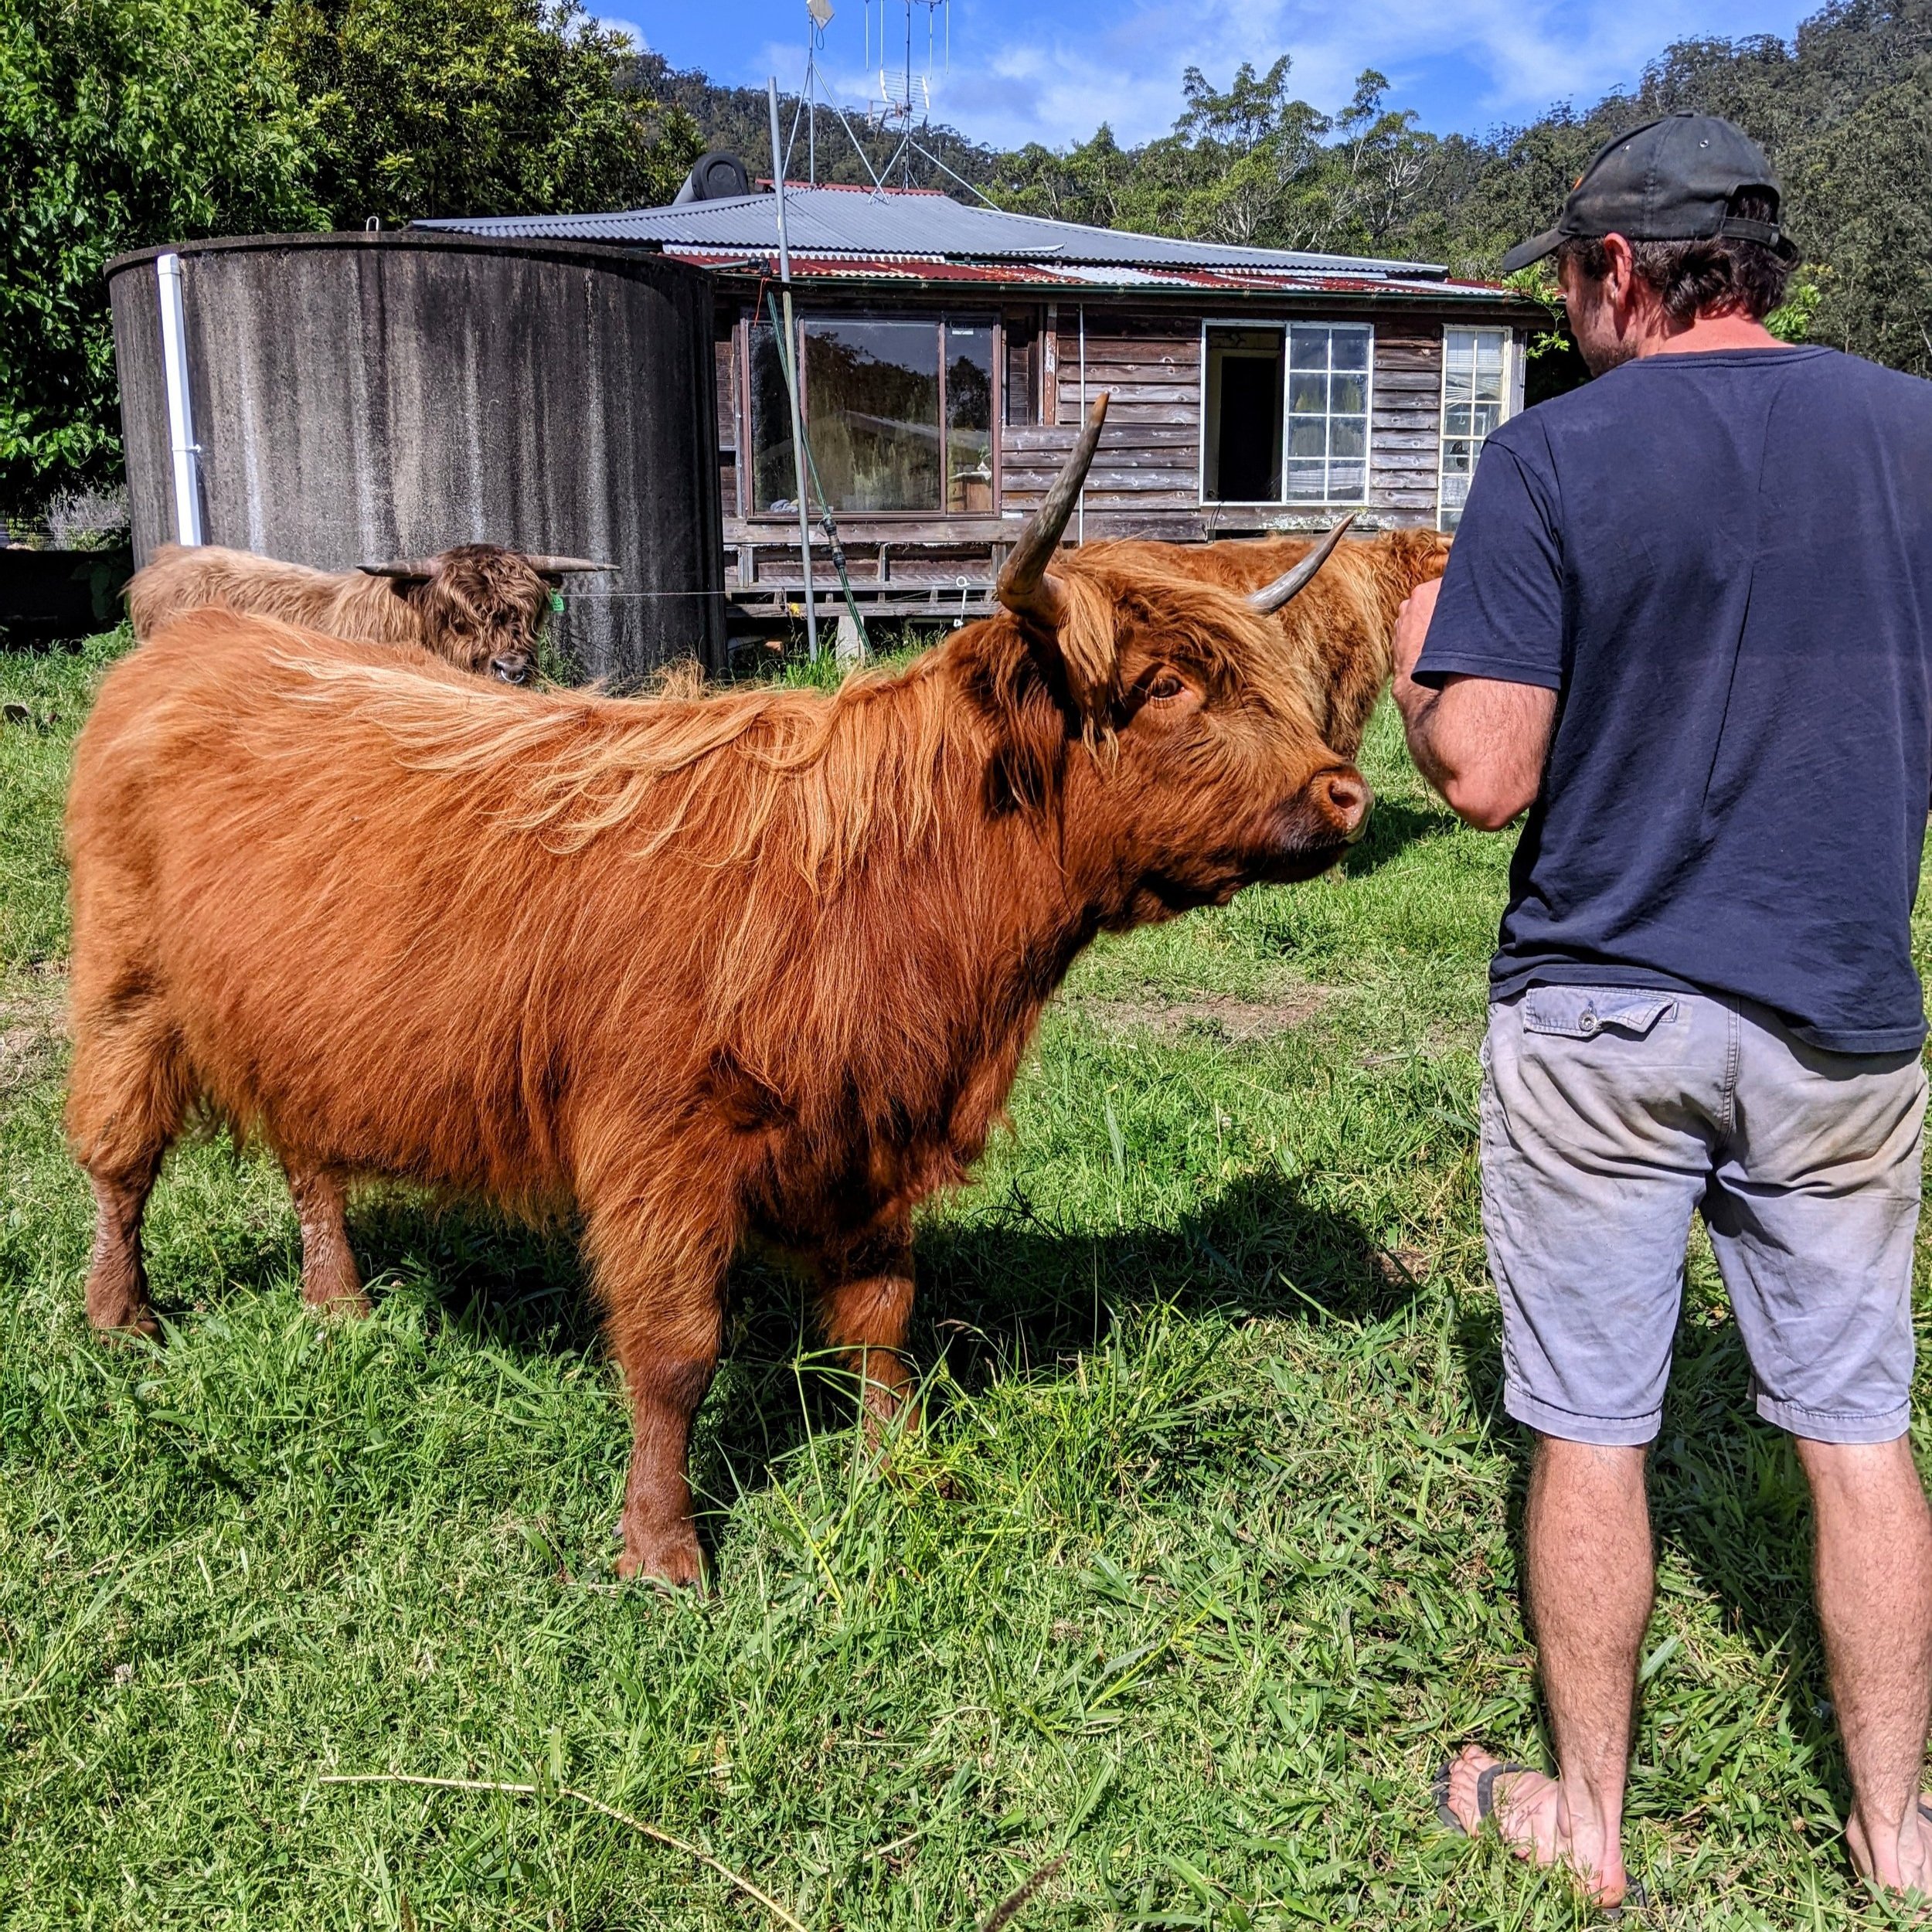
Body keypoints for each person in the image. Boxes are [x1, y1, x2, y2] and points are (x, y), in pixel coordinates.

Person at [1393, 111, 1932, 1906]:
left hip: (1599, 1022)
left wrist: (1416, 670)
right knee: (1858, 1435)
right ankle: (1892, 1831)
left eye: (1564, 286)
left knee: (1586, 1425)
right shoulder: (1919, 438)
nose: (1563, 319)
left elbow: (1480, 774)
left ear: (1618, 269)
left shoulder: (1550, 457)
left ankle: (1584, 1822)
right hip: (1842, 1020)